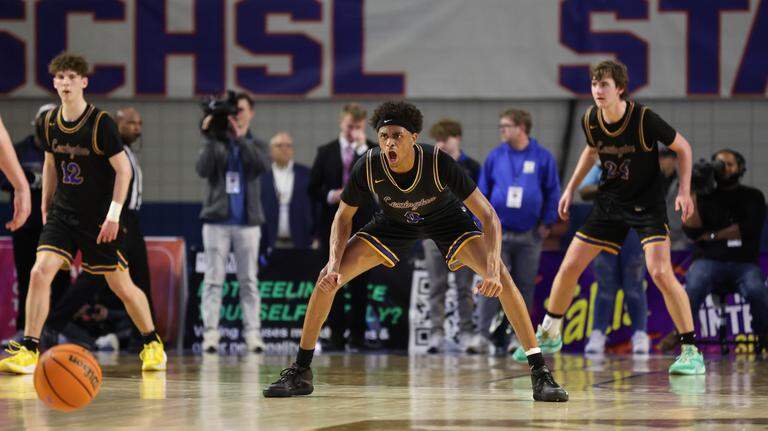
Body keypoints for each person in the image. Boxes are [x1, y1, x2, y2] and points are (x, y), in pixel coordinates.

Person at [263, 101, 568, 402]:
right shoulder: (368, 165)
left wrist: (490, 269)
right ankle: (301, 371)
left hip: (447, 221)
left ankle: (539, 371)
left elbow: (488, 216)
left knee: (502, 275)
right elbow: (343, 217)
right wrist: (333, 262)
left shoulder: (439, 163)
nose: (389, 142)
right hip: (393, 223)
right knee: (326, 278)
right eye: (384, 136)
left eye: (397, 135)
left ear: (413, 137)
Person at [517, 59, 705, 375]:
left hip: (646, 205)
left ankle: (690, 350)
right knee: (571, 264)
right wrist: (570, 188)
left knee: (659, 272)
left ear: (619, 89)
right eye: (594, 84)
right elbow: (592, 150)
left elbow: (683, 148)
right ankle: (549, 333)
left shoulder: (643, 118)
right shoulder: (591, 119)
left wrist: (685, 192)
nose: (597, 90)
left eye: (604, 85)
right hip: (610, 204)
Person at [0, 52, 165, 374]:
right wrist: (46, 204)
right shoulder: (47, 122)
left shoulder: (100, 123)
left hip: (99, 218)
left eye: (71, 77)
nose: (65, 82)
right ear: (54, 82)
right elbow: (50, 164)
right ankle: (30, 349)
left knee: (122, 285)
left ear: (83, 82)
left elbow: (124, 171)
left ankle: (152, 342)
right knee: (39, 272)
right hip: (63, 214)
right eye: (60, 77)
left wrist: (114, 215)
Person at [477, 108, 560, 355]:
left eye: (506, 125)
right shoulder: (495, 156)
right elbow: (481, 192)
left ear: (521, 128)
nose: (501, 130)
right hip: (497, 234)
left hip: (529, 234)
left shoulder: (542, 157)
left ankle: (518, 339)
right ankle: (482, 336)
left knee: (524, 286)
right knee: (490, 282)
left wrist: (547, 221)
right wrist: (479, 223)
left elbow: (552, 191)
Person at [197, 92, 270, 354]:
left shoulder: (257, 144)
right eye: (232, 111)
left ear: (250, 112)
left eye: (239, 110)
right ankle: (211, 335)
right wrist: (210, 137)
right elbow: (202, 169)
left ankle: (253, 334)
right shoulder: (216, 142)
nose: (235, 115)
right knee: (213, 280)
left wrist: (240, 138)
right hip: (216, 221)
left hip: (248, 223)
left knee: (248, 280)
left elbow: (261, 165)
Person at [682, 149, 768, 355]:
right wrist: (691, 190)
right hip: (708, 261)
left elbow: (749, 228)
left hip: (744, 264)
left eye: (730, 164)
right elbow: (692, 230)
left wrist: (711, 235)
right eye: (720, 164)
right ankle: (685, 340)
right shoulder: (704, 195)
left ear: (740, 168)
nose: (725, 168)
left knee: (757, 290)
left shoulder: (753, 196)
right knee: (692, 286)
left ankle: (763, 338)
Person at [308, 103, 377, 351]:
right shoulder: (326, 152)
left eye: (358, 127)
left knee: (360, 283)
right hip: (331, 224)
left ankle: (357, 336)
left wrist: (361, 149)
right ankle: (335, 335)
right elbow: (312, 188)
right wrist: (331, 195)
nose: (353, 131)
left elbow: (377, 183)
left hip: (363, 225)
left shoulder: (371, 151)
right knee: (331, 278)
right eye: (350, 126)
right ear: (342, 123)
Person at [0, 105, 70, 348]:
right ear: (36, 124)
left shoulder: (67, 150)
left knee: (60, 279)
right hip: (27, 225)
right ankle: (24, 330)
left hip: (57, 225)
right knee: (28, 275)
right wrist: (23, 183)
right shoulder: (18, 149)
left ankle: (57, 329)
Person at [423, 119, 483, 354]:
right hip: (433, 233)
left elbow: (481, 202)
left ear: (457, 138)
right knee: (436, 286)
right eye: (437, 140)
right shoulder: (429, 166)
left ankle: (466, 332)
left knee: (464, 287)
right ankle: (437, 333)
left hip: (463, 233)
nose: (441, 144)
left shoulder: (472, 166)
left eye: (445, 139)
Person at [579, 163, 648, 354]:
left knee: (634, 287)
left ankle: (640, 334)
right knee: (604, 287)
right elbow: (583, 191)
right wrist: (609, 186)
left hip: (633, 230)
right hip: (605, 229)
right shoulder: (602, 164)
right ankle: (598, 333)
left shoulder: (641, 161)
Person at [260, 131, 314, 252]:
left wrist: (315, 235)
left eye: (288, 145)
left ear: (292, 150)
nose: (284, 149)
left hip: (300, 241)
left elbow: (315, 206)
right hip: (268, 242)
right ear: (271, 150)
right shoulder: (262, 176)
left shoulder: (306, 174)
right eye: (279, 145)